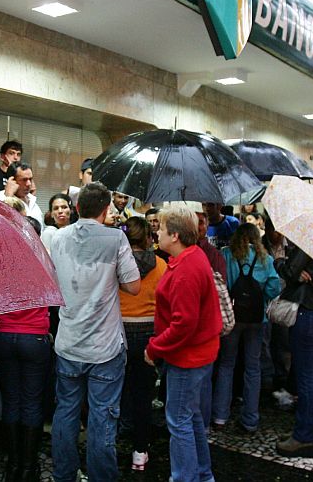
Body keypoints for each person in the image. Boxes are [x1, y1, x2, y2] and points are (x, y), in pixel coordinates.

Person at [49, 182, 140, 482]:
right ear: (105, 210)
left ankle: (64, 476)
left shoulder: (58, 238)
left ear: (76, 208)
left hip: (68, 343)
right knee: (102, 418)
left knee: (65, 413)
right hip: (105, 349)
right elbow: (134, 286)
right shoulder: (116, 239)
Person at [144, 204, 222, 482]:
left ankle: (186, 477)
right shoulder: (192, 256)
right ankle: (202, 474)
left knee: (179, 421)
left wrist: (154, 348)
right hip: (199, 354)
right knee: (191, 417)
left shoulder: (187, 267)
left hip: (187, 357)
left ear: (175, 236)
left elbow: (183, 324)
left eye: (161, 229)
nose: (157, 234)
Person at [0, 214, 51, 481]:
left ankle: (12, 465)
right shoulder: (45, 262)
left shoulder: (2, 263)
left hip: (4, 335)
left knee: (12, 400)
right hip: (34, 338)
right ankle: (28, 467)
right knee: (32, 402)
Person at [212, 224, 279, 432]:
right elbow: (274, 287)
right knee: (253, 367)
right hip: (257, 320)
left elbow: (221, 283)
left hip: (233, 318)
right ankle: (250, 418)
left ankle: (220, 416)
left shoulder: (226, 255)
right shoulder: (266, 259)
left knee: (226, 364)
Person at [118, 217, 166, 472]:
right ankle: (140, 451)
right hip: (150, 334)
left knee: (118, 389)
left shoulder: (116, 264)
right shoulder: (161, 265)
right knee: (144, 394)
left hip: (120, 331)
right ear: (148, 238)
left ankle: (119, 433)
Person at [274, 243, 313, 458]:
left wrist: (279, 259)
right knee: (308, 376)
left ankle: (304, 436)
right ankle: (304, 429)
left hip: (305, 311)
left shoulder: (309, 242)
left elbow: (290, 271)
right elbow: (295, 273)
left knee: (305, 377)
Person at [0, 162, 43, 226]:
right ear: (12, 180)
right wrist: (9, 196)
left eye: (30, 179)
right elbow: (0, 225)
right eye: (24, 180)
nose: (29, 184)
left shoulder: (33, 200)